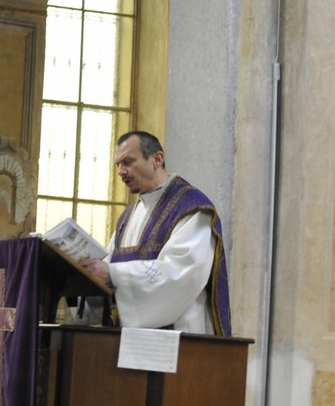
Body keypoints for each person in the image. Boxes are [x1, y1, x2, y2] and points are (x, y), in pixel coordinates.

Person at [79, 130, 232, 336]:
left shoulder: (192, 208)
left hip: (181, 342)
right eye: (118, 165)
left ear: (157, 159)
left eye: (128, 162)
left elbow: (180, 274)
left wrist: (112, 274)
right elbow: (108, 264)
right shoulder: (128, 217)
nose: (121, 171)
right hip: (128, 341)